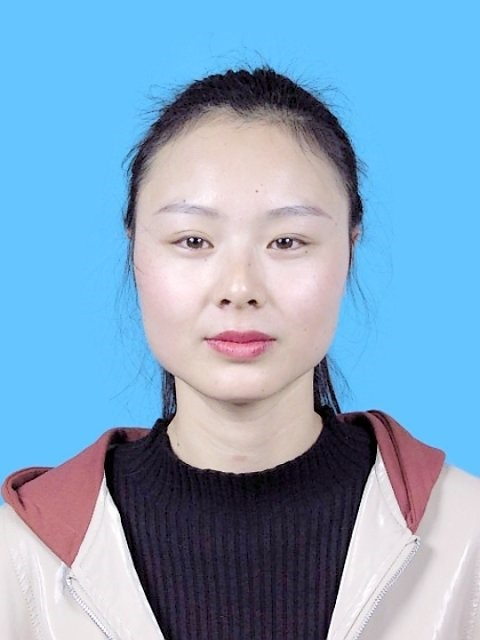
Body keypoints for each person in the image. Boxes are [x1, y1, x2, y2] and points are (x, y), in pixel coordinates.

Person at [1, 67, 479, 640]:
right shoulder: (22, 559)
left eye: (287, 242)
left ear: (350, 248)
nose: (239, 287)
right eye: (193, 241)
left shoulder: (465, 540)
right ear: (135, 249)